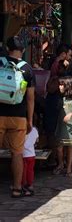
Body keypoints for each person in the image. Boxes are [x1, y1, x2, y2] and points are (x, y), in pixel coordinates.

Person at [0, 36, 35, 197]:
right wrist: (30, 120)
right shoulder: (27, 69)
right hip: (19, 116)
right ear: (24, 50)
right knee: (17, 153)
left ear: (7, 49)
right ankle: (16, 188)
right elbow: (30, 98)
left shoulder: (0, 62)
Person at [53, 76, 72, 177]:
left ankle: (69, 168)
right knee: (59, 148)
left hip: (71, 127)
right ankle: (61, 164)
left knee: (70, 148)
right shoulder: (62, 98)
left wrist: (71, 114)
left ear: (68, 87)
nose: (59, 87)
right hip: (61, 126)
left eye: (62, 85)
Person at [22, 127, 39, 196]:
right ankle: (30, 185)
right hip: (32, 154)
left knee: (23, 171)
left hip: (23, 154)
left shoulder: (22, 129)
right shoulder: (35, 129)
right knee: (30, 170)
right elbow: (37, 140)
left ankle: (23, 185)